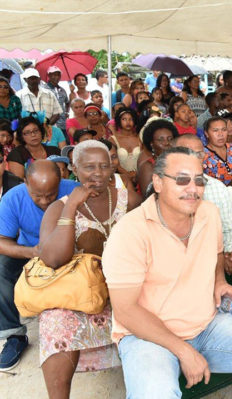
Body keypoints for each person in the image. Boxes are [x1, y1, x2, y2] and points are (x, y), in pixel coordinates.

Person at [102, 146, 232, 398]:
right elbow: (126, 310)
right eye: (181, 180)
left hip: (206, 324)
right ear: (157, 182)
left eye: (199, 180)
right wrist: (183, 350)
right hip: (146, 336)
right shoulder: (129, 231)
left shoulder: (208, 213)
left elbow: (216, 254)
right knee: (154, 392)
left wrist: (220, 281)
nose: (193, 188)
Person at [35, 141, 140, 398]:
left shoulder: (128, 200)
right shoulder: (60, 207)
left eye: (105, 165)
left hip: (126, 286)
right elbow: (52, 259)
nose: (98, 173)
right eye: (89, 167)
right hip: (84, 292)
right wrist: (72, 206)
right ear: (74, 169)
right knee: (54, 322)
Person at [0, 160, 78, 371]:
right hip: (31, 250)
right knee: (1, 269)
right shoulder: (12, 198)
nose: (44, 201)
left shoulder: (73, 191)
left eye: (51, 194)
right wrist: (33, 252)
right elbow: (2, 241)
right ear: (26, 183)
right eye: (37, 195)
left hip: (70, 249)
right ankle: (13, 335)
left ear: (60, 182)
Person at [172, 134, 232, 274]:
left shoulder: (217, 188)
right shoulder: (164, 188)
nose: (194, 158)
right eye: (187, 153)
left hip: (214, 264)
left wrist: (231, 254)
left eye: (199, 153)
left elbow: (231, 229)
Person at [137, 118, 179, 196]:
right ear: (151, 144)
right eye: (161, 140)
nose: (166, 143)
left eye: (170, 139)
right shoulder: (148, 166)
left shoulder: (178, 163)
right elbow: (148, 197)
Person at [203, 116, 232, 184]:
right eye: (215, 130)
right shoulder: (202, 155)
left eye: (224, 130)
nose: (221, 134)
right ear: (206, 133)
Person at [109, 108, 141, 184]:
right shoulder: (113, 139)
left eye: (131, 119)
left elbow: (143, 159)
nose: (128, 122)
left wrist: (136, 174)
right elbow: (113, 161)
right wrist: (127, 174)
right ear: (119, 121)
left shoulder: (140, 138)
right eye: (124, 119)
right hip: (119, 179)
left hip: (139, 177)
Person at [41, 67, 68, 133]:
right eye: (54, 75)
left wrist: (67, 112)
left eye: (58, 75)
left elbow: (67, 102)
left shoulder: (62, 90)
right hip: (50, 124)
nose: (56, 77)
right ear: (49, 75)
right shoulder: (43, 89)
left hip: (63, 124)